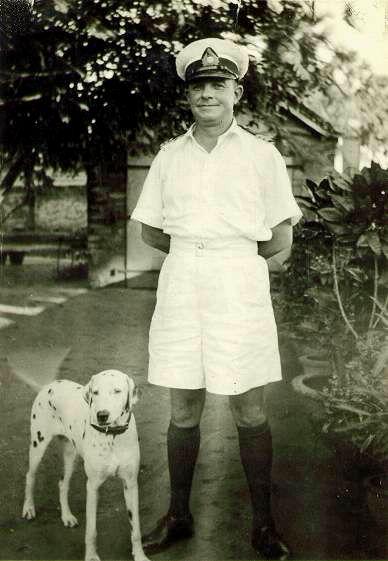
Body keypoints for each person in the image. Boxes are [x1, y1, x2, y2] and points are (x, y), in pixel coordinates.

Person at [131, 37, 302, 560]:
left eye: (218, 84)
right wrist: (193, 252)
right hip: (183, 280)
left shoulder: (262, 155)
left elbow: (279, 237)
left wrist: (230, 256)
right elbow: (152, 232)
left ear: (236, 91)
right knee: (183, 403)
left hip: (238, 281)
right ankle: (178, 516)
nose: (207, 94)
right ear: (188, 96)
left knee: (248, 405)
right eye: (198, 86)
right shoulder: (168, 156)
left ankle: (265, 525)